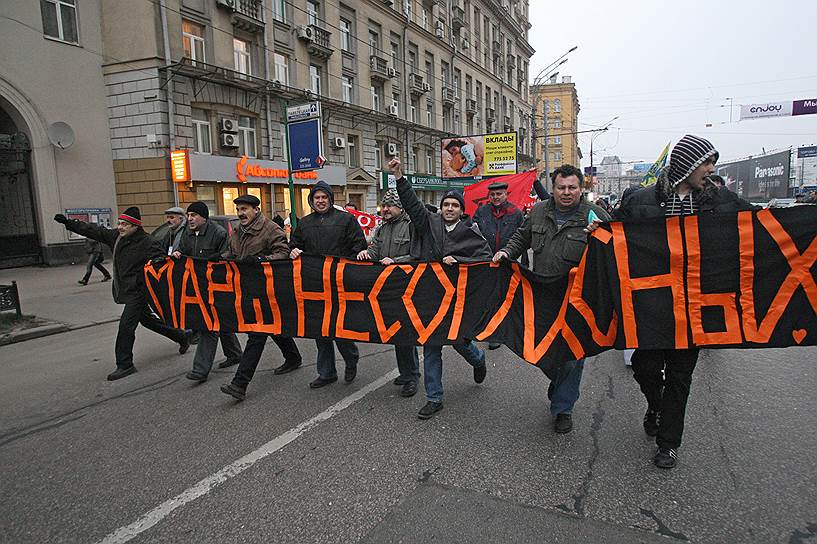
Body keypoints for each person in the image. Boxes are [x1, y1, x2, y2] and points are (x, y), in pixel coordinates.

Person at [613, 134, 754, 469]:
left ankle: (669, 443)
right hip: (652, 303)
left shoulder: (720, 201)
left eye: (712, 163)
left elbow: (759, 227)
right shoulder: (643, 199)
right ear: (687, 164)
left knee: (680, 375)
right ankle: (656, 405)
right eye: (705, 162)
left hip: (694, 306)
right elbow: (616, 234)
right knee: (645, 366)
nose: (710, 169)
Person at [493, 164, 611, 434]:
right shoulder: (538, 211)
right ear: (554, 188)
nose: (566, 192)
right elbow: (521, 238)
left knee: (572, 356)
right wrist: (506, 253)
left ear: (581, 189)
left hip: (579, 300)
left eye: (572, 187)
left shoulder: (596, 215)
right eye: (561, 187)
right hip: (543, 296)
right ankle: (559, 383)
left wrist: (602, 233)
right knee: (542, 352)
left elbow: (613, 250)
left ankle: (563, 408)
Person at [391, 157, 490, 420]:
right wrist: (400, 177)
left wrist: (459, 261)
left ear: (461, 210)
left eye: (454, 205)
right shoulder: (429, 222)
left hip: (457, 301)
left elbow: (485, 258)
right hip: (430, 297)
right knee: (432, 346)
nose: (449, 208)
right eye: (446, 204)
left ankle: (478, 360)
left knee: (459, 342)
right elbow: (412, 205)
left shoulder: (471, 231)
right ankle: (434, 398)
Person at [54, 207, 191, 381]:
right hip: (126, 288)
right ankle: (182, 336)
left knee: (126, 326)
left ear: (135, 226)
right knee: (147, 321)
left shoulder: (148, 242)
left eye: (125, 224)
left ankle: (124, 364)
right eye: (119, 223)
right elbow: (94, 230)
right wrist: (69, 223)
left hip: (140, 291)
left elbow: (162, 265)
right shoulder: (116, 237)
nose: (120, 227)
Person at [219, 195, 303, 401]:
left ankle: (240, 383)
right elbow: (231, 253)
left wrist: (261, 260)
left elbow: (283, 253)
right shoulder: (238, 231)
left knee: (257, 333)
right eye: (238, 209)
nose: (240, 213)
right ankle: (293, 357)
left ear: (256, 209)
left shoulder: (271, 229)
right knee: (272, 327)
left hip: (269, 290)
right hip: (248, 288)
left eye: (245, 209)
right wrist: (221, 259)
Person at [289, 181, 367, 389]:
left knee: (339, 328)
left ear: (330, 199)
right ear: (312, 201)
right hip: (315, 286)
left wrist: (350, 265)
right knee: (320, 330)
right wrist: (293, 251)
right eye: (317, 198)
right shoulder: (304, 224)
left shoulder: (346, 220)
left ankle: (351, 359)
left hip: (339, 284)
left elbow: (358, 245)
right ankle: (326, 372)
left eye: (324, 197)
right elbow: (294, 245)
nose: (321, 201)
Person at [356, 189, 420, 397]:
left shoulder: (411, 226)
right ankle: (406, 372)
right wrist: (367, 253)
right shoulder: (382, 229)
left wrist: (396, 261)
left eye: (388, 206)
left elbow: (417, 255)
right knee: (395, 332)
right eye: (383, 206)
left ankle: (411, 376)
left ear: (399, 208)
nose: (384, 210)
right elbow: (376, 250)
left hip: (407, 287)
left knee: (405, 333)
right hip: (387, 290)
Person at [172, 201, 243, 382]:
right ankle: (235, 354)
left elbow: (228, 256)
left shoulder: (218, 233)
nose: (190, 219)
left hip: (217, 285)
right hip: (197, 286)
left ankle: (200, 369)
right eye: (188, 215)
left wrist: (216, 260)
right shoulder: (187, 234)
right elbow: (182, 251)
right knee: (220, 321)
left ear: (204, 217)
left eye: (193, 215)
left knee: (208, 326)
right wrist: (178, 254)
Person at [473, 181, 524, 350]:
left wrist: (517, 260)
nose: (495, 197)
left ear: (506, 194)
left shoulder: (515, 213)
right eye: (493, 195)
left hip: (507, 262)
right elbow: (473, 232)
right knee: (487, 295)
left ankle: (498, 334)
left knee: (503, 296)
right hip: (485, 260)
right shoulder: (481, 211)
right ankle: (486, 327)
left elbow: (522, 237)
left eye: (499, 194)